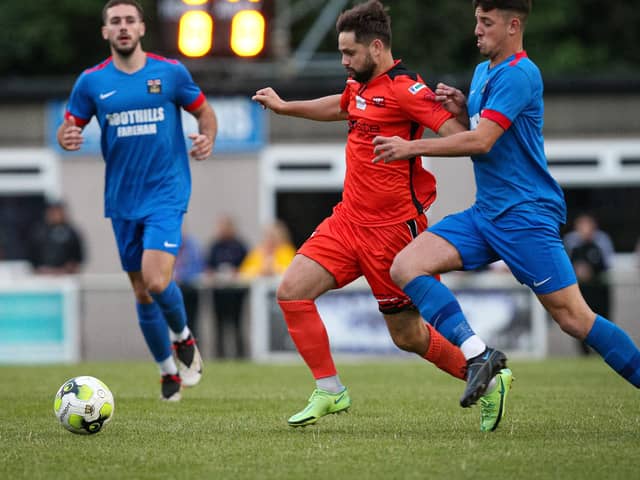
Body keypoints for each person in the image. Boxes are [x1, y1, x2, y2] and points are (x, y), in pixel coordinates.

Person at [253, 0, 511, 432]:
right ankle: (331, 389)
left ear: (376, 48)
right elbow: (341, 105)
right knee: (291, 291)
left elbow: (460, 136)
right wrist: (285, 106)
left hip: (393, 233)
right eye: (340, 52)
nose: (343, 61)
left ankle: (489, 377)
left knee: (407, 336)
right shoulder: (358, 85)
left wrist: (418, 143)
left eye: (349, 53)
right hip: (347, 221)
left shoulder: (408, 90)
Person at [372, 0, 640, 401]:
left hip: (525, 215)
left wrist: (411, 148)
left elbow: (482, 141)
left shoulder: (522, 74)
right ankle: (478, 354)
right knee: (407, 266)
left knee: (574, 318)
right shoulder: (483, 73)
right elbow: (480, 134)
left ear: (513, 25)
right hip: (486, 215)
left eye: (486, 22)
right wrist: (464, 111)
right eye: (476, 21)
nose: (477, 30)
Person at [56, 0, 217, 401]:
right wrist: (67, 137)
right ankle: (167, 373)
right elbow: (69, 126)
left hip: (166, 191)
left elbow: (205, 113)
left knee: (157, 278)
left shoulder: (170, 73)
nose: (123, 27)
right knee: (141, 291)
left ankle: (183, 338)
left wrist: (207, 137)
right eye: (115, 22)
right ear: (105, 32)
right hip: (122, 198)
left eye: (130, 20)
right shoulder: (91, 82)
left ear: (142, 28)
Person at [564, 214, 615, 355]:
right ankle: (584, 353)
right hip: (580, 290)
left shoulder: (601, 241)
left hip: (599, 289)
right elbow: (564, 264)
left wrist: (592, 270)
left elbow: (608, 263)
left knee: (603, 319)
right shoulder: (571, 243)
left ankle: (604, 352)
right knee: (579, 320)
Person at [206, 215, 249, 358]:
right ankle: (220, 356)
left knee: (237, 325)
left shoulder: (240, 245)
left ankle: (240, 356)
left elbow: (247, 266)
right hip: (218, 293)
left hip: (236, 294)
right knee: (219, 326)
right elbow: (208, 265)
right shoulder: (215, 246)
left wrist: (237, 273)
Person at [27, 200, 85, 275]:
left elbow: (78, 256)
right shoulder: (39, 232)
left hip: (65, 275)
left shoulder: (71, 232)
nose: (56, 215)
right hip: (43, 275)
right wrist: (39, 269)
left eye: (58, 212)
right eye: (53, 212)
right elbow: (31, 254)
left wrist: (68, 268)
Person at [174, 227, 205, 339]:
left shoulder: (192, 246)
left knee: (191, 322)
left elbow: (197, 266)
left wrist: (182, 276)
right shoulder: (169, 245)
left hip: (190, 289)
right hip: (173, 290)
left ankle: (194, 349)